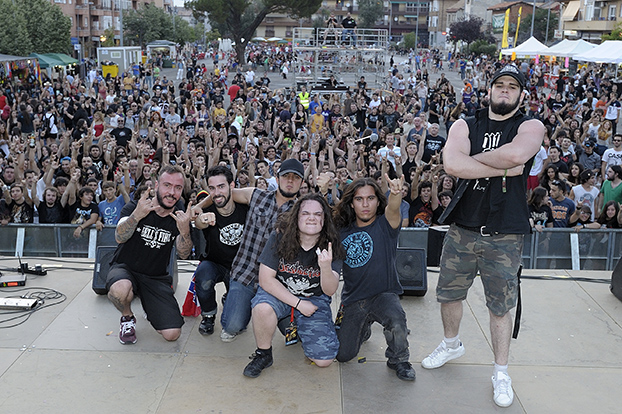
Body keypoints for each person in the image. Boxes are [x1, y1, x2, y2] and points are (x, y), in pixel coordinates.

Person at [421, 65, 544, 407]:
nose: (505, 90)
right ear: (489, 90)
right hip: (462, 228)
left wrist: (470, 161)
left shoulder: (530, 126)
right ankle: (451, 344)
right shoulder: (465, 125)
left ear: (521, 95)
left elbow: (518, 155)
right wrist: (502, 167)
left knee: (499, 307)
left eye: (512, 87)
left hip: (504, 233)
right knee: (448, 294)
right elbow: (452, 165)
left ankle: (501, 371)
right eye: (499, 84)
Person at [200, 159, 304, 342]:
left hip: (275, 281)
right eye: (286, 176)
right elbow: (222, 193)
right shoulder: (256, 195)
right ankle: (234, 299)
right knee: (232, 326)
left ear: (302, 182)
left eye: (295, 178)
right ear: (277, 178)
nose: (290, 181)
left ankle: (280, 314)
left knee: (296, 333)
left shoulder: (302, 211)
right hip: (244, 274)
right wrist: (198, 207)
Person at [243, 193, 344, 378]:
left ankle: (296, 325)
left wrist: (325, 267)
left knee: (324, 360)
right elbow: (265, 279)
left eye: (318, 214)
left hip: (314, 299)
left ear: (324, 219)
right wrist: (298, 304)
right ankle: (263, 354)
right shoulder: (279, 236)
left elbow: (330, 290)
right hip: (279, 293)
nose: (312, 218)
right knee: (262, 308)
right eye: (305, 213)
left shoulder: (333, 243)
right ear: (296, 217)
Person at [330, 175, 417, 381]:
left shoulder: (386, 224)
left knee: (396, 320)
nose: (365, 204)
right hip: (354, 300)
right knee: (342, 355)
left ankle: (398, 359)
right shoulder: (342, 230)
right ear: (352, 203)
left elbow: (393, 208)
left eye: (370, 198)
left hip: (383, 294)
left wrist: (395, 194)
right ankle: (364, 328)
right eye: (359, 199)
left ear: (378, 201)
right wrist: (323, 189)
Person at [106, 165, 193, 344]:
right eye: (167, 185)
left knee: (172, 334)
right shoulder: (136, 206)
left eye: (177, 188)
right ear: (156, 186)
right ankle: (127, 317)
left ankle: (149, 305)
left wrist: (185, 232)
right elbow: (119, 238)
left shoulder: (180, 214)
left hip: (155, 276)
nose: (172, 192)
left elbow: (184, 254)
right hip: (125, 268)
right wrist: (136, 216)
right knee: (120, 291)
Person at [192, 166, 249, 335]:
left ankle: (230, 297)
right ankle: (208, 315)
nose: (217, 193)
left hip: (240, 268)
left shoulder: (245, 207)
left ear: (232, 186)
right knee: (203, 276)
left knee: (236, 325)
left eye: (221, 186)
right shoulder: (207, 209)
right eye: (212, 188)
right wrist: (201, 219)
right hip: (215, 263)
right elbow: (199, 223)